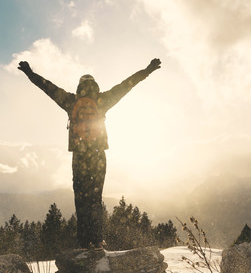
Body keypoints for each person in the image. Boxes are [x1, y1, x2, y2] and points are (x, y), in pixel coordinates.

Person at [18, 58, 161, 248]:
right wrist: (147, 70)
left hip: (80, 155)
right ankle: (98, 239)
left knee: (81, 198)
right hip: (98, 155)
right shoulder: (102, 100)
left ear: (79, 87)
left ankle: (84, 242)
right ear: (95, 85)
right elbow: (127, 85)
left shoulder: (70, 101)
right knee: (95, 198)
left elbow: (48, 88)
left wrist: (29, 72)